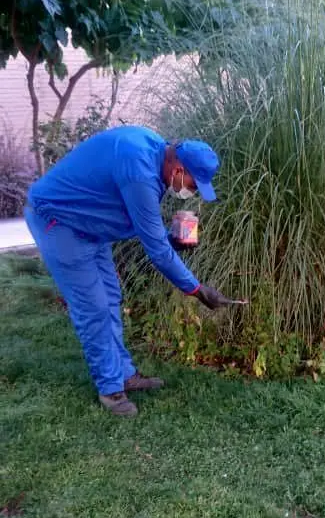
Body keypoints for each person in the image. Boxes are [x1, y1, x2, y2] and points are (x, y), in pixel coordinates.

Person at [25, 125, 238, 417]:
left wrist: (170, 237)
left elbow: (147, 229)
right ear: (177, 166)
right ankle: (111, 390)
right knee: (94, 308)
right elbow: (158, 252)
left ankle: (123, 374)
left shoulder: (154, 150)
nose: (190, 189)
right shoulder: (139, 171)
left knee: (110, 298)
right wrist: (198, 290)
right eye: (192, 181)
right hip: (60, 223)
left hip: (90, 227)